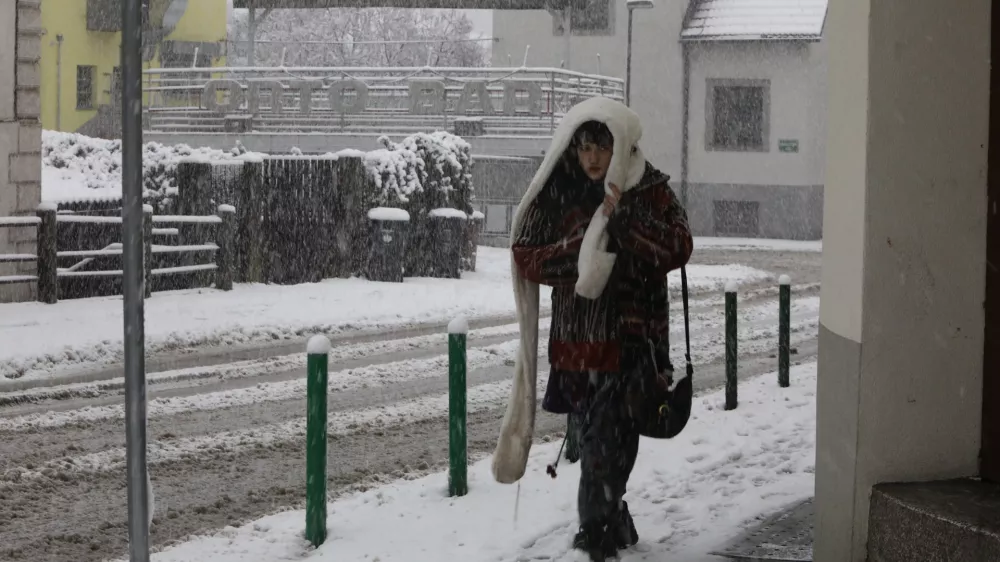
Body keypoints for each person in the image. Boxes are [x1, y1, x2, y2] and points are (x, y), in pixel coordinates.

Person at [490, 97, 693, 562]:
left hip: (634, 343)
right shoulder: (558, 188)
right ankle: (610, 513)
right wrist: (582, 258)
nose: (594, 157)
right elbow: (525, 252)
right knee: (602, 438)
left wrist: (625, 224)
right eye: (585, 146)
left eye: (603, 146)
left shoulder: (649, 188)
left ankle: (595, 532)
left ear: (621, 144)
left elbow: (679, 245)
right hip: (578, 343)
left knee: (609, 437)